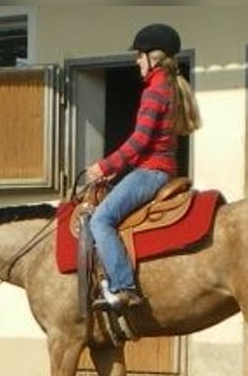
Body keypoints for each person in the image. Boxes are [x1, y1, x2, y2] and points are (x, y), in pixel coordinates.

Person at [86, 23, 201, 311]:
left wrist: (103, 165)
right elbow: (151, 143)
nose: (136, 60)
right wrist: (118, 170)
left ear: (154, 58)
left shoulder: (154, 90)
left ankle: (125, 287)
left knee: (100, 219)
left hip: (152, 172)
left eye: (139, 54)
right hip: (157, 168)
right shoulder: (169, 85)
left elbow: (140, 140)